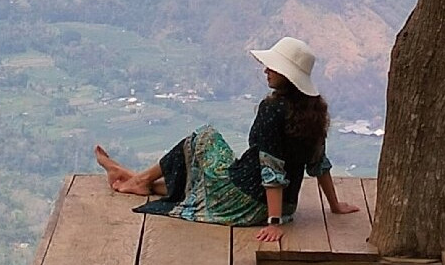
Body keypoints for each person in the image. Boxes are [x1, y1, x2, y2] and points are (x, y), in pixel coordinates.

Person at [95, 36, 359, 242]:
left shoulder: (273, 110)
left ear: (287, 75)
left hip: (246, 200)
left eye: (273, 67)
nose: (266, 70)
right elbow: (318, 164)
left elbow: (271, 170)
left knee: (203, 137)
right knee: (197, 182)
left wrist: (273, 223)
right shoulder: (314, 110)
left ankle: (139, 180)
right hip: (286, 205)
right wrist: (334, 206)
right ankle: (135, 179)